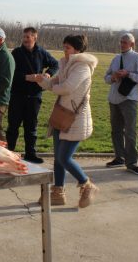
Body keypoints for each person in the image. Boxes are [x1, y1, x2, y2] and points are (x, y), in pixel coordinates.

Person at [35, 34, 99, 207]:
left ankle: (87, 184)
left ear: (77, 50)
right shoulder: (65, 64)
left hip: (76, 119)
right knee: (58, 157)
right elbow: (56, 82)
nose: (64, 51)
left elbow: (66, 88)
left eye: (68, 48)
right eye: (64, 47)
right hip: (61, 115)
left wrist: (51, 86)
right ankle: (58, 192)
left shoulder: (82, 68)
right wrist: (43, 80)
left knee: (64, 157)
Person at [6, 27, 58, 163]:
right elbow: (10, 73)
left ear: (35, 38)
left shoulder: (42, 53)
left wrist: (48, 74)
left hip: (35, 96)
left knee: (31, 126)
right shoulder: (16, 53)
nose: (25, 40)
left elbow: (55, 64)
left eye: (28, 37)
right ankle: (8, 153)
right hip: (17, 95)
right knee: (13, 126)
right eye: (24, 37)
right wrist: (26, 77)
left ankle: (30, 153)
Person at [104, 33, 138, 175]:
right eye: (121, 41)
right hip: (114, 99)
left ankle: (132, 162)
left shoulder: (137, 58)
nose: (122, 44)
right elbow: (105, 78)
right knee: (116, 130)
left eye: (125, 42)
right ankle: (119, 157)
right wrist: (113, 77)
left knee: (130, 132)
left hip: (129, 99)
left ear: (132, 44)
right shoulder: (116, 58)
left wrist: (128, 74)